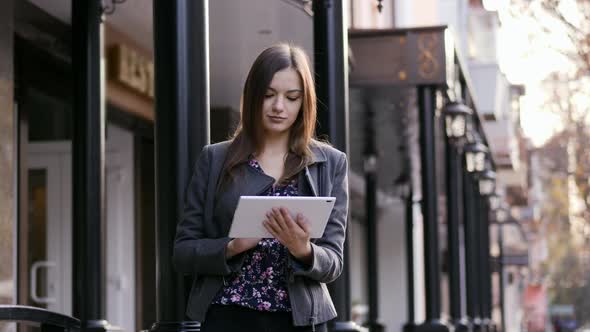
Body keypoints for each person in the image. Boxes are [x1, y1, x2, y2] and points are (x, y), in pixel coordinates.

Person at [172, 43, 349, 332]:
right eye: (268, 95)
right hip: (226, 315)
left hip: (297, 320)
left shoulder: (330, 163)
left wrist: (303, 249)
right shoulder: (215, 159)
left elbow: (333, 262)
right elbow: (183, 252)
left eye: (292, 97)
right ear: (252, 96)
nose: (279, 106)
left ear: (304, 102)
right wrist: (232, 246)